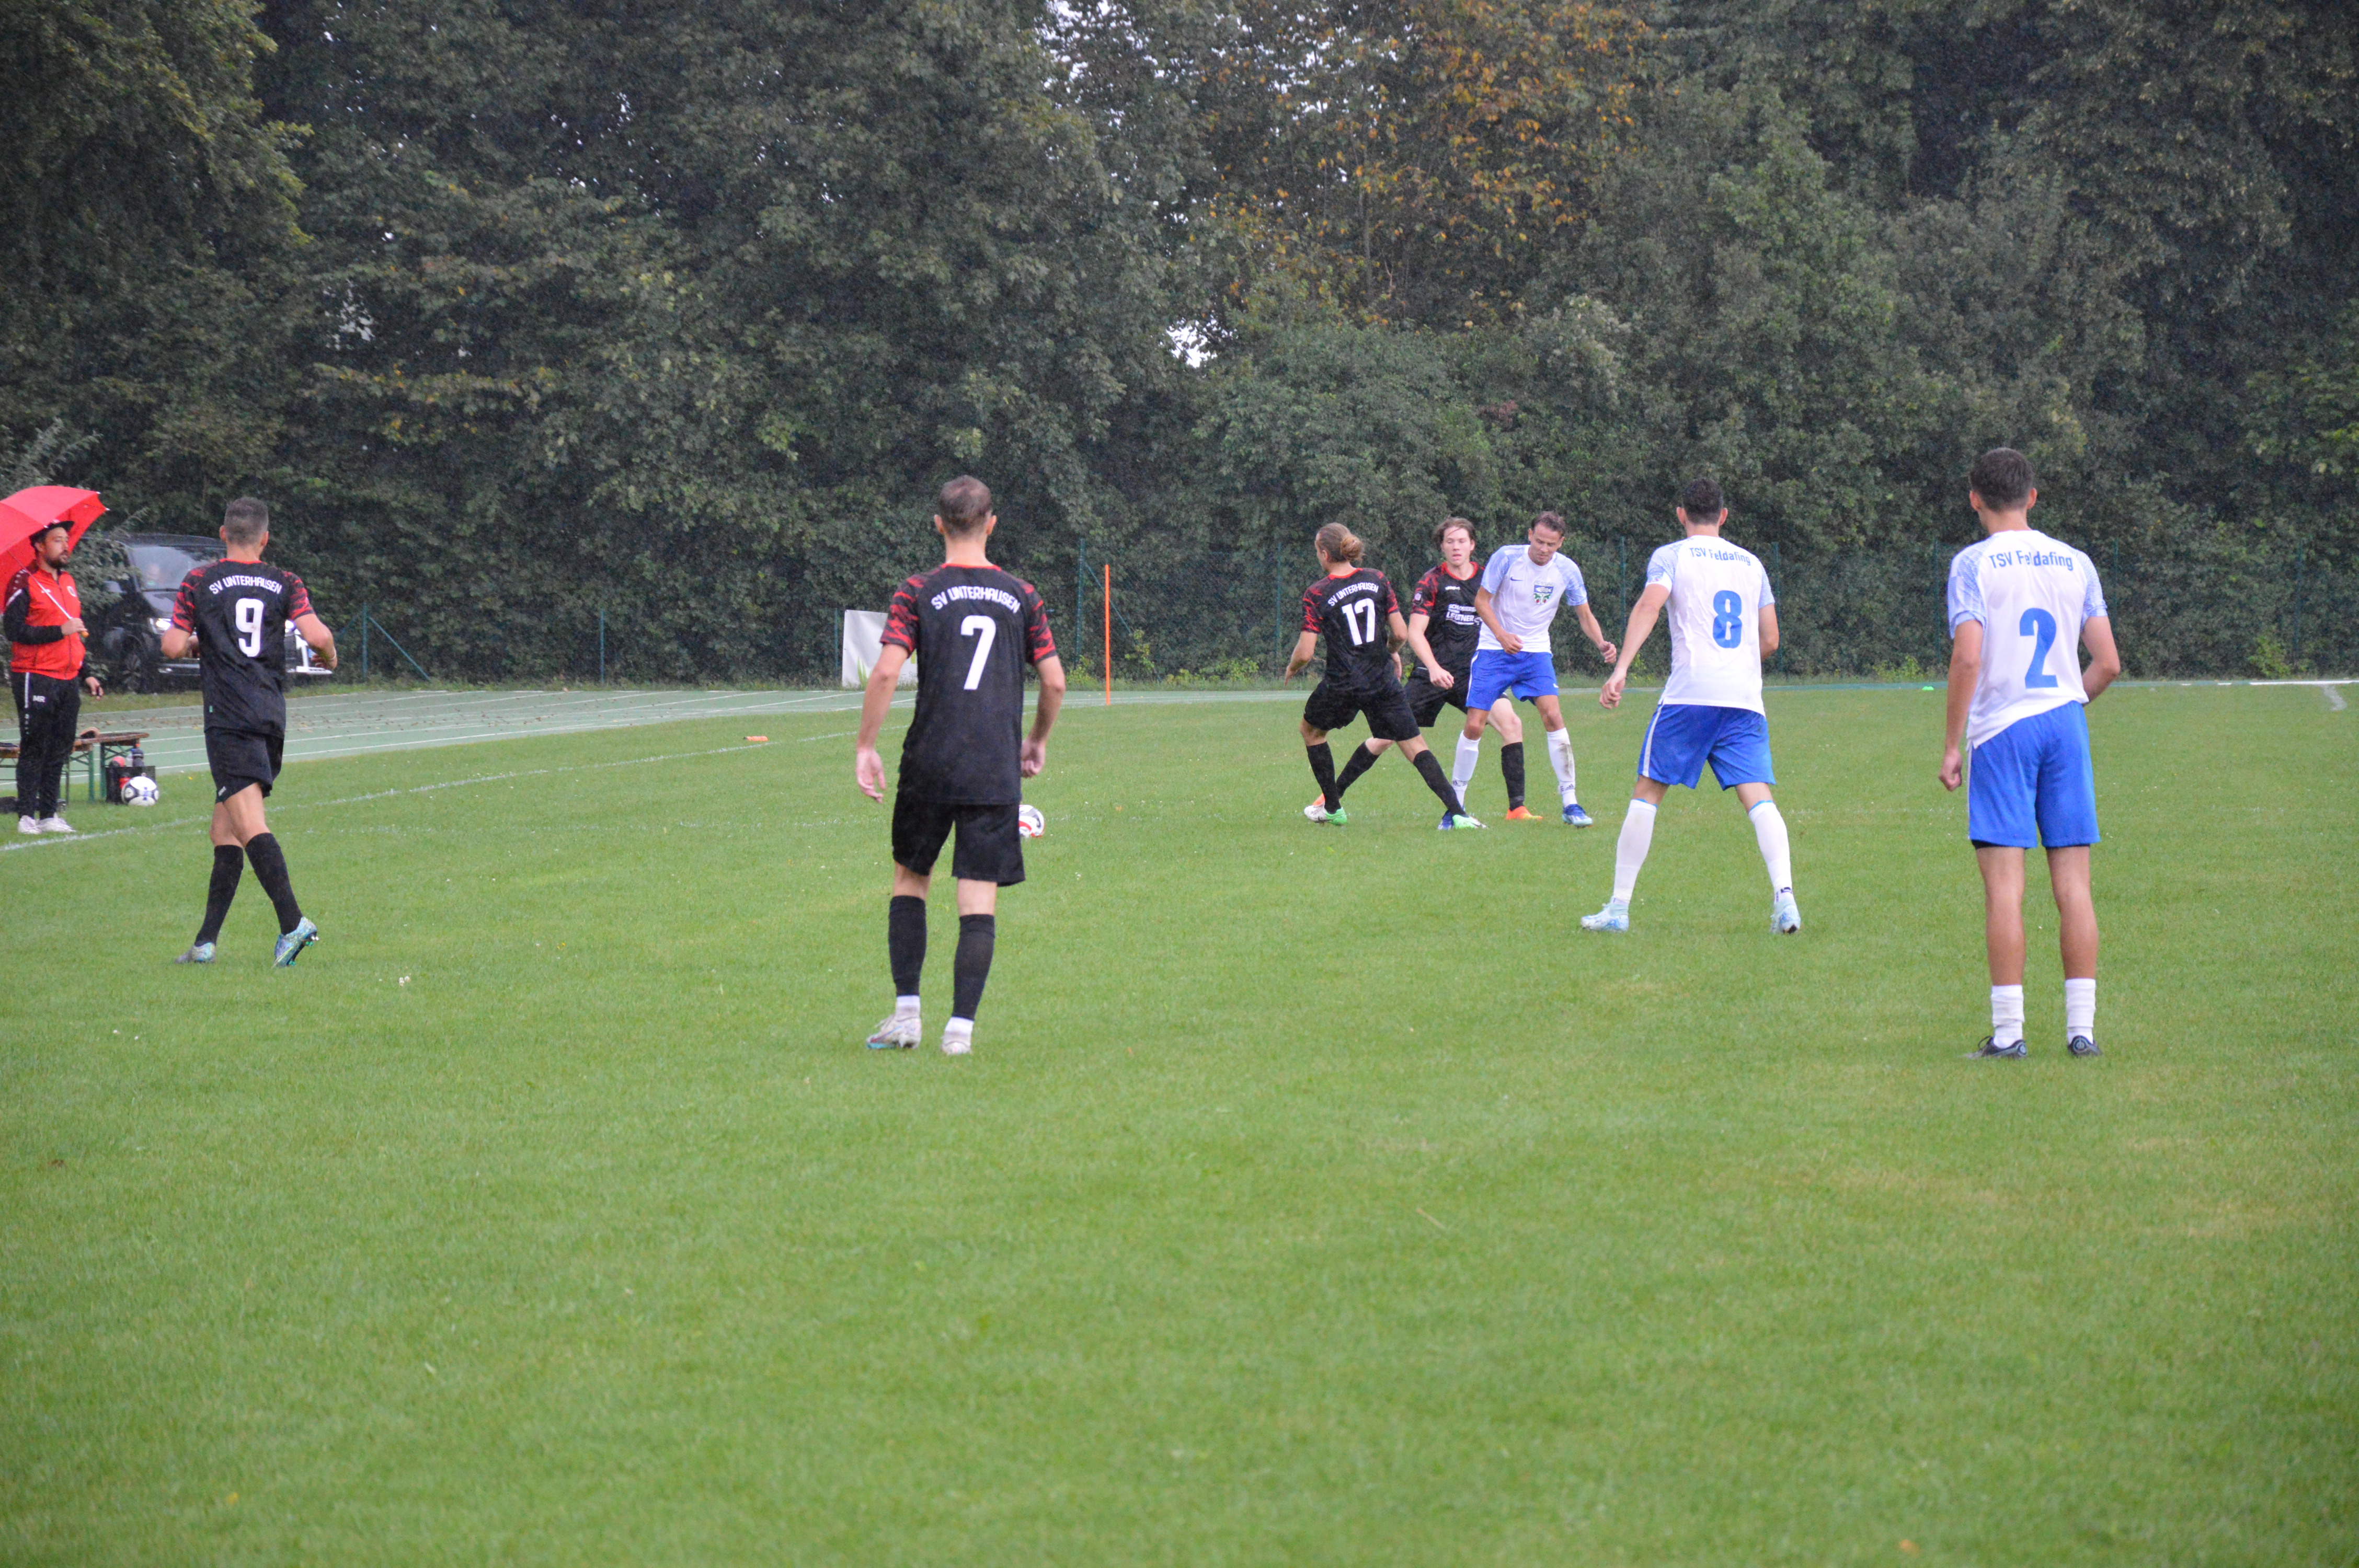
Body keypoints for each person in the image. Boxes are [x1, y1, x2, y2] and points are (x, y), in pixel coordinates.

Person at [855, 476, 1066, 1056]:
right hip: (993, 767)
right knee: (978, 899)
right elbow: (1054, 681)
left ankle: (906, 1017)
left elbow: (886, 671)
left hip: (930, 761)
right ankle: (959, 1034)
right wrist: (1036, 740)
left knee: (910, 879)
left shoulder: (918, 591)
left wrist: (866, 745)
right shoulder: (1023, 595)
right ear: (992, 524)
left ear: (939, 524)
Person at [1938, 448, 2120, 1058]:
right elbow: (2108, 662)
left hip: (2003, 731)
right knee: (2074, 885)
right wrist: (2067, 702)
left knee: (2005, 888)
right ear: (2033, 497)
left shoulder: (1972, 564)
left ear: (1975, 499)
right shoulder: (2076, 562)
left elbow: (1968, 656)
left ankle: (2010, 1033)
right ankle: (2081, 1031)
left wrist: (1951, 744)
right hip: (2064, 725)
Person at [1582, 480, 1799, 935]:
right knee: (1759, 798)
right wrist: (1736, 664)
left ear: (1681, 514)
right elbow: (1771, 639)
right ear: (1724, 515)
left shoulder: (1671, 556)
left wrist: (1621, 668)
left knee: (1647, 792)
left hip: (1690, 695)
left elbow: (1650, 606)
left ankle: (1618, 909)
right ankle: (1786, 901)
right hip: (1743, 698)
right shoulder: (1752, 563)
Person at [159, 497, 339, 965]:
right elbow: (318, 637)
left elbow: (172, 646)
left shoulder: (200, 580)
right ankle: (205, 944)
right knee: (225, 831)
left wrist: (197, 640)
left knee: (251, 825)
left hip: (229, 717)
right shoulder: (286, 581)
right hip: (270, 715)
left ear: (223, 535)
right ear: (265, 539)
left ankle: (293, 924)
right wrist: (330, 657)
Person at [1314, 518, 1531, 820]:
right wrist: (1433, 668)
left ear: (1472, 545)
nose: (1456, 547)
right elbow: (1414, 632)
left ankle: (1517, 808)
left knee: (1512, 724)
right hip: (1431, 676)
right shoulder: (1431, 581)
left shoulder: (1487, 579)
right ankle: (1330, 796)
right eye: (1450, 542)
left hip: (1472, 675)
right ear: (1441, 546)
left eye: (1462, 541)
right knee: (1385, 737)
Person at [1287, 522, 1481, 829]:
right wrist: (1391, 651)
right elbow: (1401, 633)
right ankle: (1458, 814)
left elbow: (1305, 653)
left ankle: (1333, 808)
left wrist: (1292, 668)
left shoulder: (1317, 592)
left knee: (1311, 732)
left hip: (1343, 682)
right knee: (1414, 744)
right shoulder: (1377, 579)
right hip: (1381, 680)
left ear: (1324, 554)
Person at [1463, 511, 1617, 825]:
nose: (1544, 549)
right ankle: (1456, 805)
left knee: (1554, 717)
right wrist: (1502, 636)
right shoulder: (1507, 558)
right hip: (1494, 649)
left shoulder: (1567, 570)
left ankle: (1571, 804)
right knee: (1475, 724)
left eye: (1551, 544)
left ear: (1561, 543)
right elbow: (1481, 602)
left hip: (1535, 652)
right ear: (1530, 534)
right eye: (1539, 541)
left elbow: (1584, 614)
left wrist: (1601, 642)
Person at [5, 520, 105, 834]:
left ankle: (49, 814)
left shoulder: (69, 582)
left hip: (67, 677)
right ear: (40, 546)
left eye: (66, 540)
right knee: (35, 746)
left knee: (60, 748)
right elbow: (14, 631)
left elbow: (74, 637)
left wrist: (87, 674)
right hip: (35, 675)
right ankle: (26, 815)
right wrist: (59, 630)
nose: (66, 546)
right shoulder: (24, 581)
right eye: (58, 540)